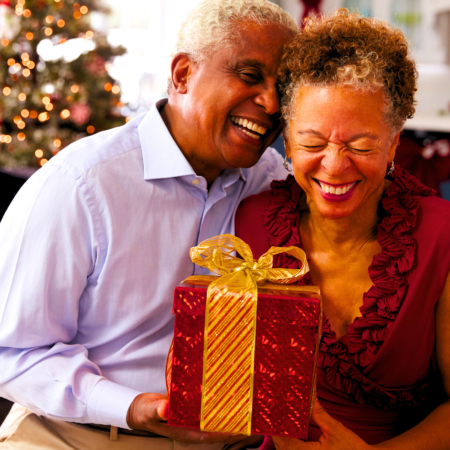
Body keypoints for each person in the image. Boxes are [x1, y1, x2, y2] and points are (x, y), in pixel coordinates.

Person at [0, 1, 297, 449]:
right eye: (250, 76)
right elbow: (12, 354)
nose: (272, 103)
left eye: (284, 87)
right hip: (74, 435)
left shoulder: (274, 180)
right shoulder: (81, 184)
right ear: (182, 75)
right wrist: (133, 406)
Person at [236, 9, 450, 449]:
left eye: (361, 145)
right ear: (289, 141)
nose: (334, 166)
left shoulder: (441, 236)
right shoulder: (250, 221)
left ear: (393, 142)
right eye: (313, 143)